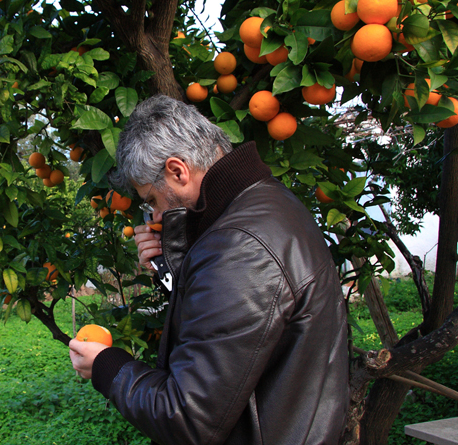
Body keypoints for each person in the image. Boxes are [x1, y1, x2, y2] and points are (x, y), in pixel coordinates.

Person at [69, 94, 349, 445]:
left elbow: (188, 417)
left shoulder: (240, 248)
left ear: (177, 170)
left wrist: (108, 368)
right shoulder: (264, 205)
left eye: (152, 201)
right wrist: (173, 268)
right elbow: (232, 338)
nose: (154, 216)